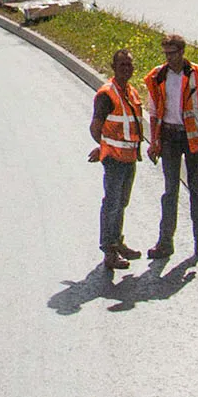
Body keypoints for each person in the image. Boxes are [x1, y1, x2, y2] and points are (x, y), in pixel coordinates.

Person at [144, 32, 198, 263]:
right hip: (169, 137)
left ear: (182, 52)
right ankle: (165, 242)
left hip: (193, 140)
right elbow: (154, 111)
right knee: (170, 191)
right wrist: (155, 141)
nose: (168, 58)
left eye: (172, 53)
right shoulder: (158, 76)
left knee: (196, 190)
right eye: (165, 53)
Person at [89, 46, 145, 273]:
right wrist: (103, 148)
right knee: (111, 204)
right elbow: (95, 127)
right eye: (122, 65)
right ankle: (109, 250)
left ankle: (118, 241)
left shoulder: (131, 92)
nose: (127, 68)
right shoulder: (106, 94)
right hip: (114, 159)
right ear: (114, 68)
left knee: (121, 202)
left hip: (129, 158)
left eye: (130, 64)